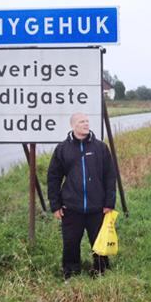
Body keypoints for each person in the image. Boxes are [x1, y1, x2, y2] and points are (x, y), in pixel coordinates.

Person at [47, 112, 117, 280]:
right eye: (81, 122)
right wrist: (55, 205)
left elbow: (110, 176)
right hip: (71, 207)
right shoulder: (62, 149)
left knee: (99, 242)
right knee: (70, 243)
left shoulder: (100, 148)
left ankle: (101, 271)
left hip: (97, 207)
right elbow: (53, 177)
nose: (86, 124)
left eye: (87, 121)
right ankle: (70, 274)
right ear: (73, 126)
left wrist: (109, 203)